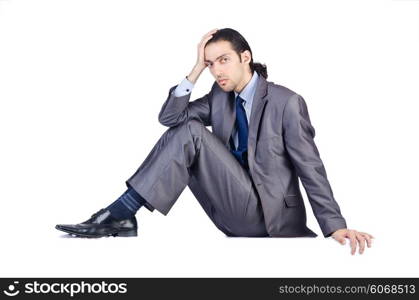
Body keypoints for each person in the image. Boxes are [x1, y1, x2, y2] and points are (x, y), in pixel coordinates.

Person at [56, 28, 374, 255]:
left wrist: (334, 226)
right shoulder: (218, 97)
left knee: (192, 134)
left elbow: (310, 167)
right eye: (210, 64)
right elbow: (170, 119)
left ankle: (121, 212)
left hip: (268, 218)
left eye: (223, 60)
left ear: (245, 57)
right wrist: (194, 70)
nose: (216, 70)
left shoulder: (285, 102)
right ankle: (122, 215)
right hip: (230, 211)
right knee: (184, 131)